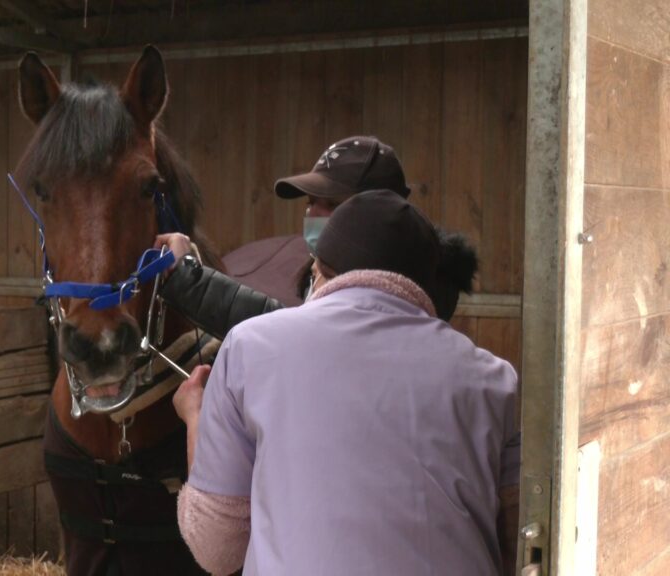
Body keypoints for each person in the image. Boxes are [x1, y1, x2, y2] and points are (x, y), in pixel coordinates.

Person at [173, 190, 521, 576]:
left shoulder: (249, 348)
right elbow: (516, 544)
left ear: (319, 270)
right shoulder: (495, 380)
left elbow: (217, 550)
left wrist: (196, 419)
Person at [156, 136, 412, 339]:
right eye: (310, 202)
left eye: (332, 204)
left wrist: (190, 280)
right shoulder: (317, 278)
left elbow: (296, 336)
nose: (312, 214)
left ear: (380, 215)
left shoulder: (389, 304)